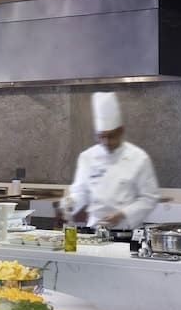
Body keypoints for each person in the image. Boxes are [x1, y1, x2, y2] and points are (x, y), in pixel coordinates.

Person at [65, 92, 159, 230]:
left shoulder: (139, 158)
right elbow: (81, 192)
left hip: (126, 229)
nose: (106, 142)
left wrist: (122, 214)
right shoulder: (87, 157)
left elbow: (149, 198)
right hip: (95, 227)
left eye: (111, 136)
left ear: (121, 131)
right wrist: (71, 202)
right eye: (101, 137)